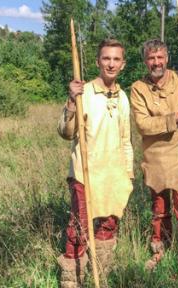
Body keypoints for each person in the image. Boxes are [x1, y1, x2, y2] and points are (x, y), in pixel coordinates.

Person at [57, 39, 133, 287]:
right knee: (79, 227)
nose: (111, 64)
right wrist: (71, 101)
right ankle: (72, 278)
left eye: (116, 59)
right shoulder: (84, 92)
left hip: (113, 174)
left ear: (123, 64)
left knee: (108, 225)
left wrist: (128, 174)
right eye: (106, 58)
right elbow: (66, 132)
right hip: (85, 173)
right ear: (98, 61)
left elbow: (125, 140)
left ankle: (101, 273)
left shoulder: (122, 97)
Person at [130, 39, 178, 277]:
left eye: (160, 57)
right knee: (160, 210)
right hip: (155, 160)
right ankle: (159, 251)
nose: (156, 62)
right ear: (146, 61)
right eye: (151, 58)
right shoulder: (138, 88)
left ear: (167, 58)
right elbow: (143, 125)